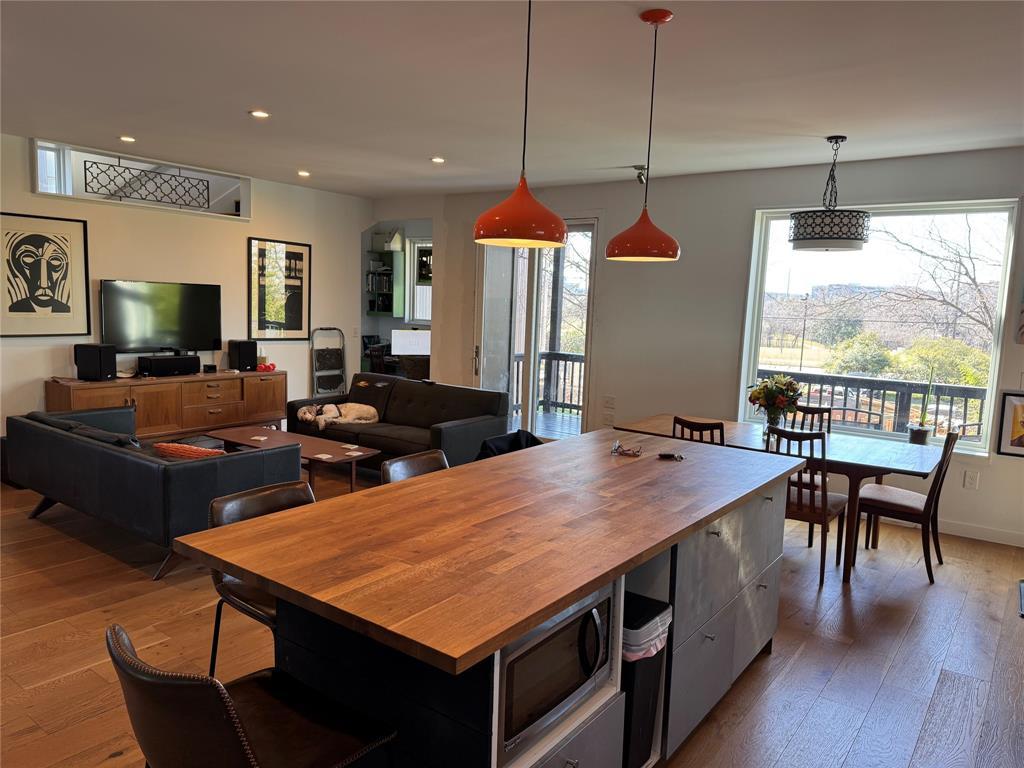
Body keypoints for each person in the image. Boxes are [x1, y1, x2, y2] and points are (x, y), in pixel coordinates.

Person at [7, 233, 71, 313]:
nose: (44, 284)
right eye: (28, 258)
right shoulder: (13, 309)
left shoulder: (65, 309)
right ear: (14, 269)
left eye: (55, 261)